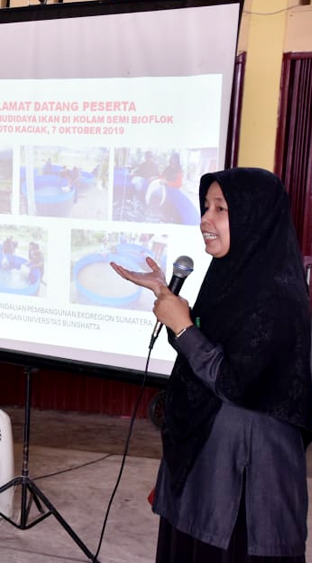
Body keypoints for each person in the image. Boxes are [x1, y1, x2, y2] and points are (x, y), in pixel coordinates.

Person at [111, 168, 312, 561]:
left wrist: (183, 327)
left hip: (245, 477)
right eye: (206, 207)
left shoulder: (278, 296)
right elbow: (207, 350)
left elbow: (235, 381)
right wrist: (169, 299)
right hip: (209, 460)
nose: (205, 219)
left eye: (221, 209)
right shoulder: (232, 277)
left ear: (254, 217)